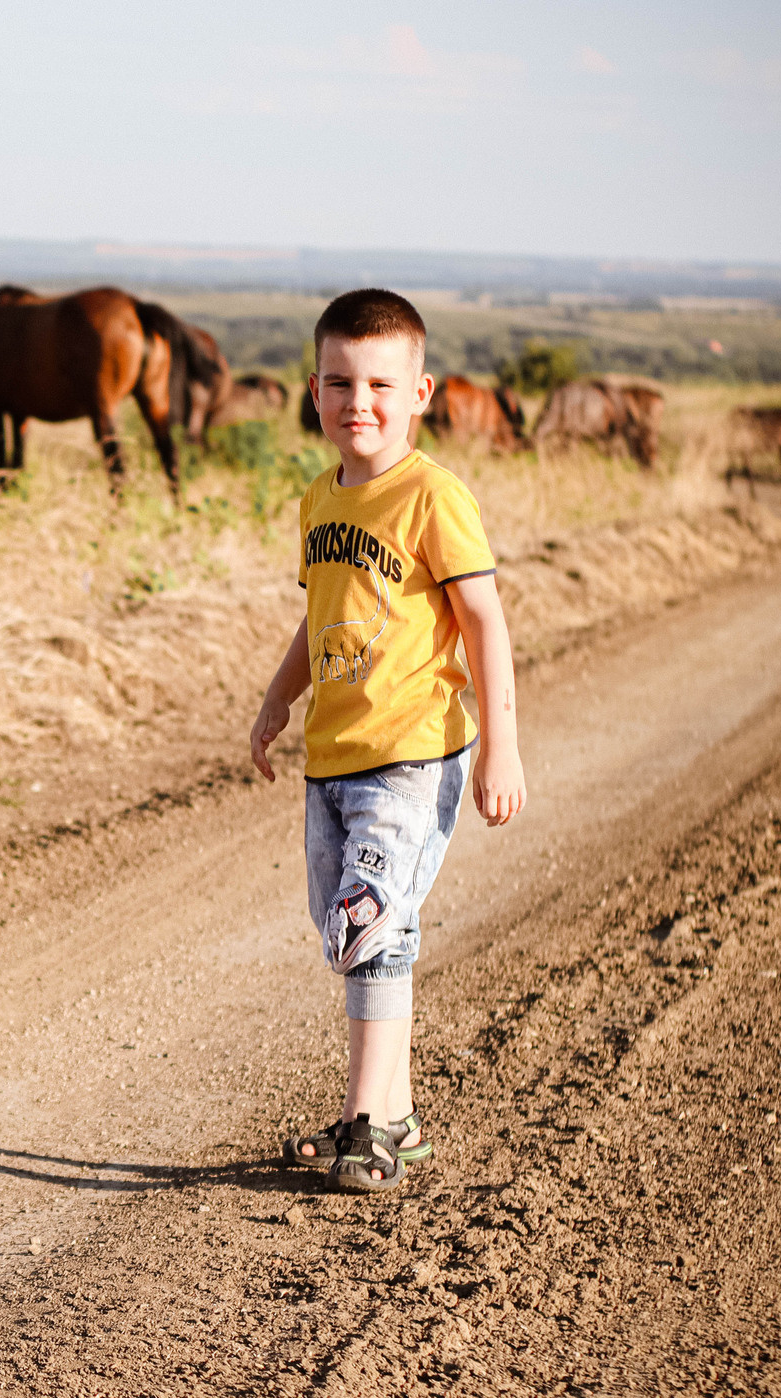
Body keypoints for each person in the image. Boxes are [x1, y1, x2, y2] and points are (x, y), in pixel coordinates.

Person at [249, 289, 526, 1193]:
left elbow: (482, 619)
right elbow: (315, 613)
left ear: (420, 393)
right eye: (338, 381)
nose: (356, 401)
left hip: (414, 750)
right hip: (332, 753)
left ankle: (363, 1126)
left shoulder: (433, 497)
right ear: (315, 391)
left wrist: (500, 744)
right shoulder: (319, 498)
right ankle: (394, 1121)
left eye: (378, 383)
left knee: (367, 923)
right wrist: (276, 700)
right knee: (355, 930)